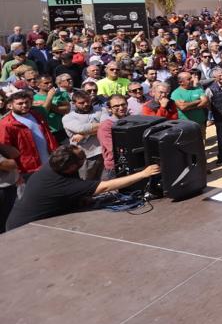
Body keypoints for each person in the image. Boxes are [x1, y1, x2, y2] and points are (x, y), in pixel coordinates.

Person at [5, 144, 161, 231]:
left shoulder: (56, 164)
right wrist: (143, 174)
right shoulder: (59, 183)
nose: (84, 155)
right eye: (82, 156)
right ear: (72, 166)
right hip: (24, 228)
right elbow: (104, 186)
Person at [61, 92, 104, 180]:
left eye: (88, 101)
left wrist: (83, 135)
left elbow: (108, 124)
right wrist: (85, 132)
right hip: (84, 157)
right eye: (81, 103)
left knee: (105, 183)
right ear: (73, 103)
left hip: (103, 152)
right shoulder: (68, 118)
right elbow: (81, 129)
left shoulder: (100, 110)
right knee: (86, 183)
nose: (86, 104)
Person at [97, 94, 130, 180]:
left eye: (123, 104)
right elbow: (112, 148)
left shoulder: (131, 120)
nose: (121, 108)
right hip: (114, 167)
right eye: (116, 106)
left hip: (131, 162)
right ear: (109, 109)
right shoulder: (106, 126)